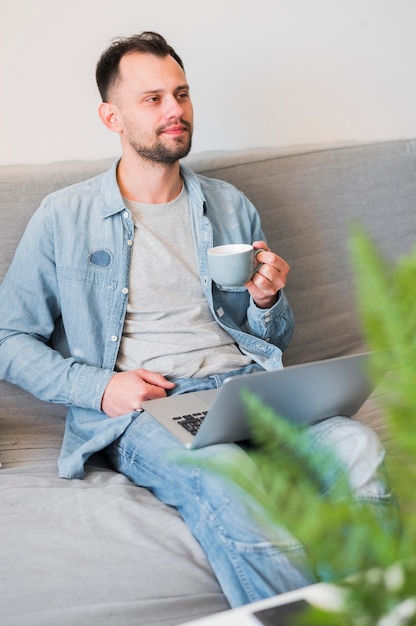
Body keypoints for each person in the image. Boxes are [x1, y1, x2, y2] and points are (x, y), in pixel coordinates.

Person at [0, 32, 397, 607]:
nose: (175, 111)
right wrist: (102, 386)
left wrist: (267, 301)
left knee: (358, 446)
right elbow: (8, 338)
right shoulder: (65, 216)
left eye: (181, 95)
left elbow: (272, 338)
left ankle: (381, 612)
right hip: (154, 406)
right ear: (111, 115)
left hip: (249, 392)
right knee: (232, 477)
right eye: (153, 98)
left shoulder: (231, 205)